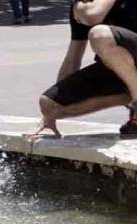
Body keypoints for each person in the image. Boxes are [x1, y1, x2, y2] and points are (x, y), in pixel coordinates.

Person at [25, 0, 137, 138]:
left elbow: (92, 16)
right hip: (121, 71)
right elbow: (73, 58)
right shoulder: (80, 8)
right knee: (49, 105)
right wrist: (49, 115)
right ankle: (133, 103)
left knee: (100, 34)